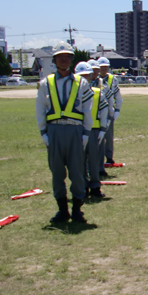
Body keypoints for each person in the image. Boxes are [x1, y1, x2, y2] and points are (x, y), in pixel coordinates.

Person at [35, 43, 94, 223]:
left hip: (75, 129)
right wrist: (43, 133)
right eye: (60, 56)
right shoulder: (46, 83)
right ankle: (62, 210)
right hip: (54, 130)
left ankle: (77, 209)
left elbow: (87, 109)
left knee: (77, 172)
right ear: (54, 60)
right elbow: (40, 108)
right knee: (57, 172)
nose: (64, 59)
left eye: (67, 56)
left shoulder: (81, 83)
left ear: (71, 59)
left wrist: (85, 133)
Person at [76, 62, 108, 198]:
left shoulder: (97, 93)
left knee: (94, 160)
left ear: (90, 77)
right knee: (78, 161)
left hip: (93, 130)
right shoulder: (72, 93)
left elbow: (104, 110)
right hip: (77, 131)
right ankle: (82, 187)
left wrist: (102, 128)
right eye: (81, 76)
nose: (84, 79)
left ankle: (95, 186)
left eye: (86, 76)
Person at [97, 57, 123, 166]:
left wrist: (117, 110)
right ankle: (98, 157)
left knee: (108, 136)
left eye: (105, 67)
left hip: (109, 110)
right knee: (98, 136)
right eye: (101, 67)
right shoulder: (94, 78)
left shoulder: (113, 79)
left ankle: (109, 156)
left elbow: (118, 96)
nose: (103, 69)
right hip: (96, 111)